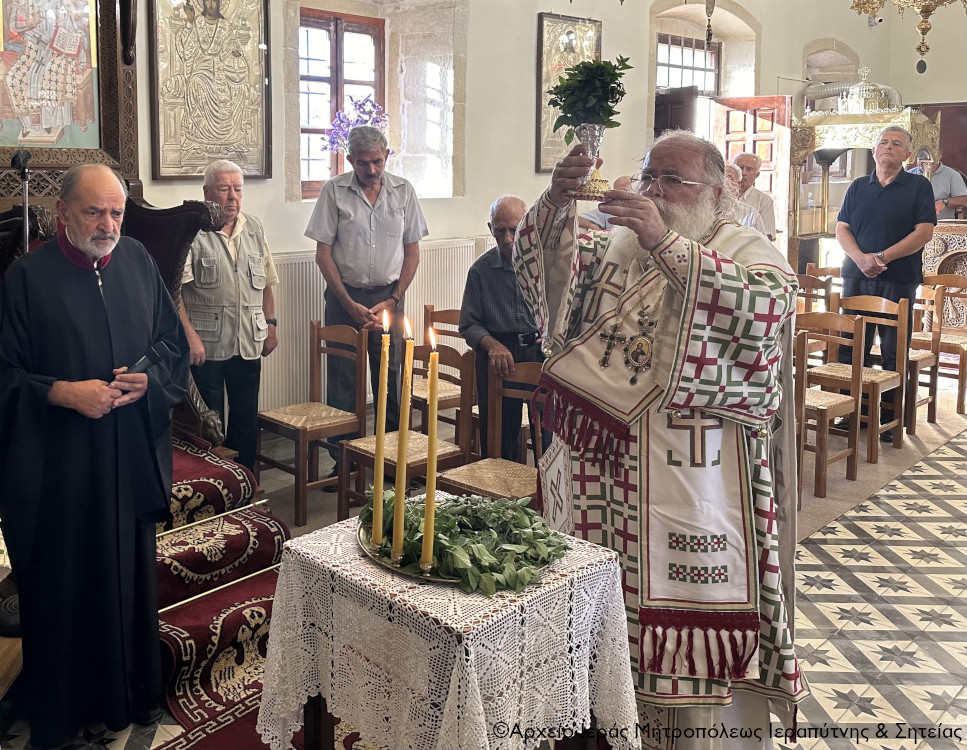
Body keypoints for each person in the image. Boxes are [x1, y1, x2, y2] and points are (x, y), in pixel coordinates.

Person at [515, 131, 806, 748]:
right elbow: (548, 284)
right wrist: (556, 202)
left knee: (680, 652)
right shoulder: (617, 241)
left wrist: (665, 243)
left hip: (694, 480)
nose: (656, 191)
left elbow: (762, 314)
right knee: (596, 626)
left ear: (718, 191)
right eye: (649, 177)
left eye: (675, 180)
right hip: (599, 478)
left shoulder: (750, 249)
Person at [0, 164, 189, 747]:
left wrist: (146, 380)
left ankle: (126, 696)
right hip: (59, 471)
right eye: (93, 212)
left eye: (117, 212)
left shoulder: (136, 261)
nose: (107, 225)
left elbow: (170, 346)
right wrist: (60, 393)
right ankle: (60, 713)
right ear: (62, 213)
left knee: (127, 585)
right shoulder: (26, 278)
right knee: (63, 588)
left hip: (126, 459)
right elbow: (4, 376)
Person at [306, 125, 428, 474]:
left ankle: (388, 459)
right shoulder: (334, 191)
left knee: (390, 379)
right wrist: (347, 302)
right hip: (345, 299)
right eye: (363, 164)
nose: (371, 171)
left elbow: (412, 254)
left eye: (376, 161)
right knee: (343, 382)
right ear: (350, 160)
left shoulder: (404, 191)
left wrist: (393, 300)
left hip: (389, 299)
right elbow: (323, 254)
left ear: (386, 155)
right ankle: (343, 462)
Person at [836, 126, 936, 442]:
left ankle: (889, 419)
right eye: (883, 142)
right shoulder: (857, 186)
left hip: (897, 277)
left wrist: (880, 257)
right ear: (874, 150)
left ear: (907, 154)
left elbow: (923, 232)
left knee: (893, 348)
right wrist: (861, 258)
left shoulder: (918, 186)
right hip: (856, 276)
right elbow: (842, 228)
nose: (887, 147)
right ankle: (852, 413)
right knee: (852, 346)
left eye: (896, 144)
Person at [179, 159, 278, 471]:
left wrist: (271, 324)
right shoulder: (192, 232)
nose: (233, 197)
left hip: (249, 339)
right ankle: (216, 485)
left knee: (246, 416)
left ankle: (247, 482)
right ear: (208, 192)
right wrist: (190, 337)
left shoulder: (255, 227)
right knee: (210, 421)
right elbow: (175, 292)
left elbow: (266, 283)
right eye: (224, 189)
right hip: (207, 344)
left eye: (238, 189)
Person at [459, 195, 544, 460]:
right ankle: (500, 492)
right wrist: (492, 345)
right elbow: (468, 324)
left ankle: (549, 493)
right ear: (490, 229)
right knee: (498, 436)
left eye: (515, 229)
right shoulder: (481, 271)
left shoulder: (546, 264)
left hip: (540, 350)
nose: (507, 239)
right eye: (500, 230)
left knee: (548, 431)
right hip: (499, 354)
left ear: (528, 227)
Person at [169, 0, 252, 159]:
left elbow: (233, 48)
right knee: (196, 82)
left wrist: (235, 51)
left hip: (222, 71)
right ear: (203, 3)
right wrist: (190, 22)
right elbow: (187, 52)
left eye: (215, 1)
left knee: (239, 88)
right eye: (209, 1)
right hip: (202, 70)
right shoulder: (197, 23)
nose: (212, 5)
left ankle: (231, 136)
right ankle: (200, 134)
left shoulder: (225, 26)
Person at [909, 148, 967, 220]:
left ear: (939, 157)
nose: (923, 162)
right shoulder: (908, 174)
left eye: (928, 158)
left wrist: (945, 202)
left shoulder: (952, 175)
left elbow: (964, 200)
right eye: (920, 158)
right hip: (911, 223)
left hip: (940, 224)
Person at [733, 152, 777, 241]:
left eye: (749, 169)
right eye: (740, 168)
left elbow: (767, 238)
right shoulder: (722, 196)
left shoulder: (764, 201)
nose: (743, 172)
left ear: (756, 175)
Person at [725, 163, 766, 234]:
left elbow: (762, 244)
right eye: (720, 178)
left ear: (738, 184)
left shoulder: (751, 214)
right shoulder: (705, 212)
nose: (723, 183)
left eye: (729, 178)